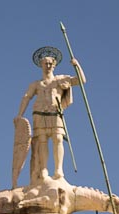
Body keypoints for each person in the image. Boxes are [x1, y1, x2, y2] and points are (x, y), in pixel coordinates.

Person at [15, 46, 86, 183]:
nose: (48, 65)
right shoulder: (36, 84)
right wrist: (20, 115)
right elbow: (26, 97)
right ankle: (43, 170)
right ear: (41, 65)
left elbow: (81, 81)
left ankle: (59, 170)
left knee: (58, 139)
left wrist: (77, 66)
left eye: (50, 63)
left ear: (54, 65)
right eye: (45, 63)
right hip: (39, 113)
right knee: (42, 141)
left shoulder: (60, 80)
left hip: (55, 112)